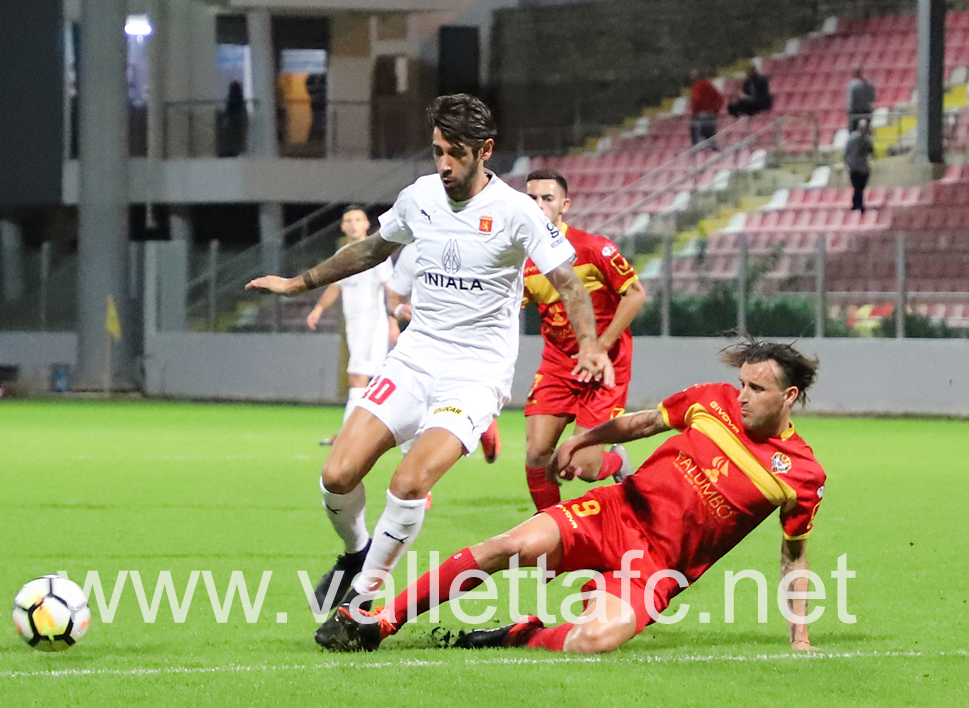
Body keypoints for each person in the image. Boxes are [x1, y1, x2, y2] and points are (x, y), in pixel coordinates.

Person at [246, 95, 614, 636]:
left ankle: (363, 602)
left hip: (475, 372)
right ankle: (358, 551)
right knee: (337, 475)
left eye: (456, 154)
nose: (444, 164)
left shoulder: (517, 212)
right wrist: (300, 282)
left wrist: (590, 345)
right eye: (437, 151)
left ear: (484, 151)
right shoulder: (420, 196)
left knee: (409, 480)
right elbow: (373, 249)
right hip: (416, 356)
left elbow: (569, 282)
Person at [317, 339, 825, 656]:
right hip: (615, 513)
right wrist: (587, 438)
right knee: (507, 545)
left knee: (594, 640)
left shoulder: (801, 474)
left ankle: (520, 635)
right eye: (742, 383)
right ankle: (379, 621)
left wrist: (799, 634)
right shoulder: (710, 400)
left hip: (658, 568)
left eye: (756, 389)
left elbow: (793, 555)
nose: (741, 395)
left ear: (789, 398)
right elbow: (644, 422)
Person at [521, 168, 646, 512]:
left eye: (547, 198)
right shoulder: (520, 259)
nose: (539, 205)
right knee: (537, 453)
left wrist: (601, 345)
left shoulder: (593, 248)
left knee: (587, 469)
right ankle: (548, 536)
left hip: (606, 362)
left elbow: (635, 293)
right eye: (531, 198)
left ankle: (616, 463)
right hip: (559, 363)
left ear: (564, 204)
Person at [385, 242, 501, 464]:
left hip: (469, 352)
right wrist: (399, 310)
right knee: (412, 429)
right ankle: (419, 495)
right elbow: (393, 298)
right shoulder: (415, 249)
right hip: (423, 350)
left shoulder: (483, 245)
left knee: (450, 418)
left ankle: (481, 420)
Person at [306, 206, 399, 442]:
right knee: (373, 380)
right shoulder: (345, 254)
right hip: (355, 326)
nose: (354, 224)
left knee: (358, 378)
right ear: (343, 226)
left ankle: (348, 436)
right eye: (349, 220)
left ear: (367, 224)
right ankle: (381, 431)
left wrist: (392, 321)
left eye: (358, 219)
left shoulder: (374, 254)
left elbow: (390, 289)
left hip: (372, 324)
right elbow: (336, 285)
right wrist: (319, 308)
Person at [844, 120, 874, 213]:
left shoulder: (867, 140)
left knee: (860, 188)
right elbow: (847, 153)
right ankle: (857, 205)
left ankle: (858, 204)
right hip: (854, 167)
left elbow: (871, 151)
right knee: (857, 188)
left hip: (863, 168)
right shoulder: (853, 139)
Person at [689, 70, 724, 148]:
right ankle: (714, 150)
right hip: (711, 114)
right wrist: (715, 110)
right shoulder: (709, 85)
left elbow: (697, 99)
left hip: (701, 114)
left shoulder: (697, 86)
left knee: (696, 133)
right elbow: (720, 98)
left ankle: (696, 151)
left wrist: (695, 111)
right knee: (711, 135)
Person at [847, 67, 876, 133]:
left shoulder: (852, 85)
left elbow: (851, 100)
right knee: (867, 132)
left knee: (855, 132)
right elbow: (873, 99)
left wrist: (849, 111)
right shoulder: (868, 84)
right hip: (867, 111)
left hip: (855, 112)